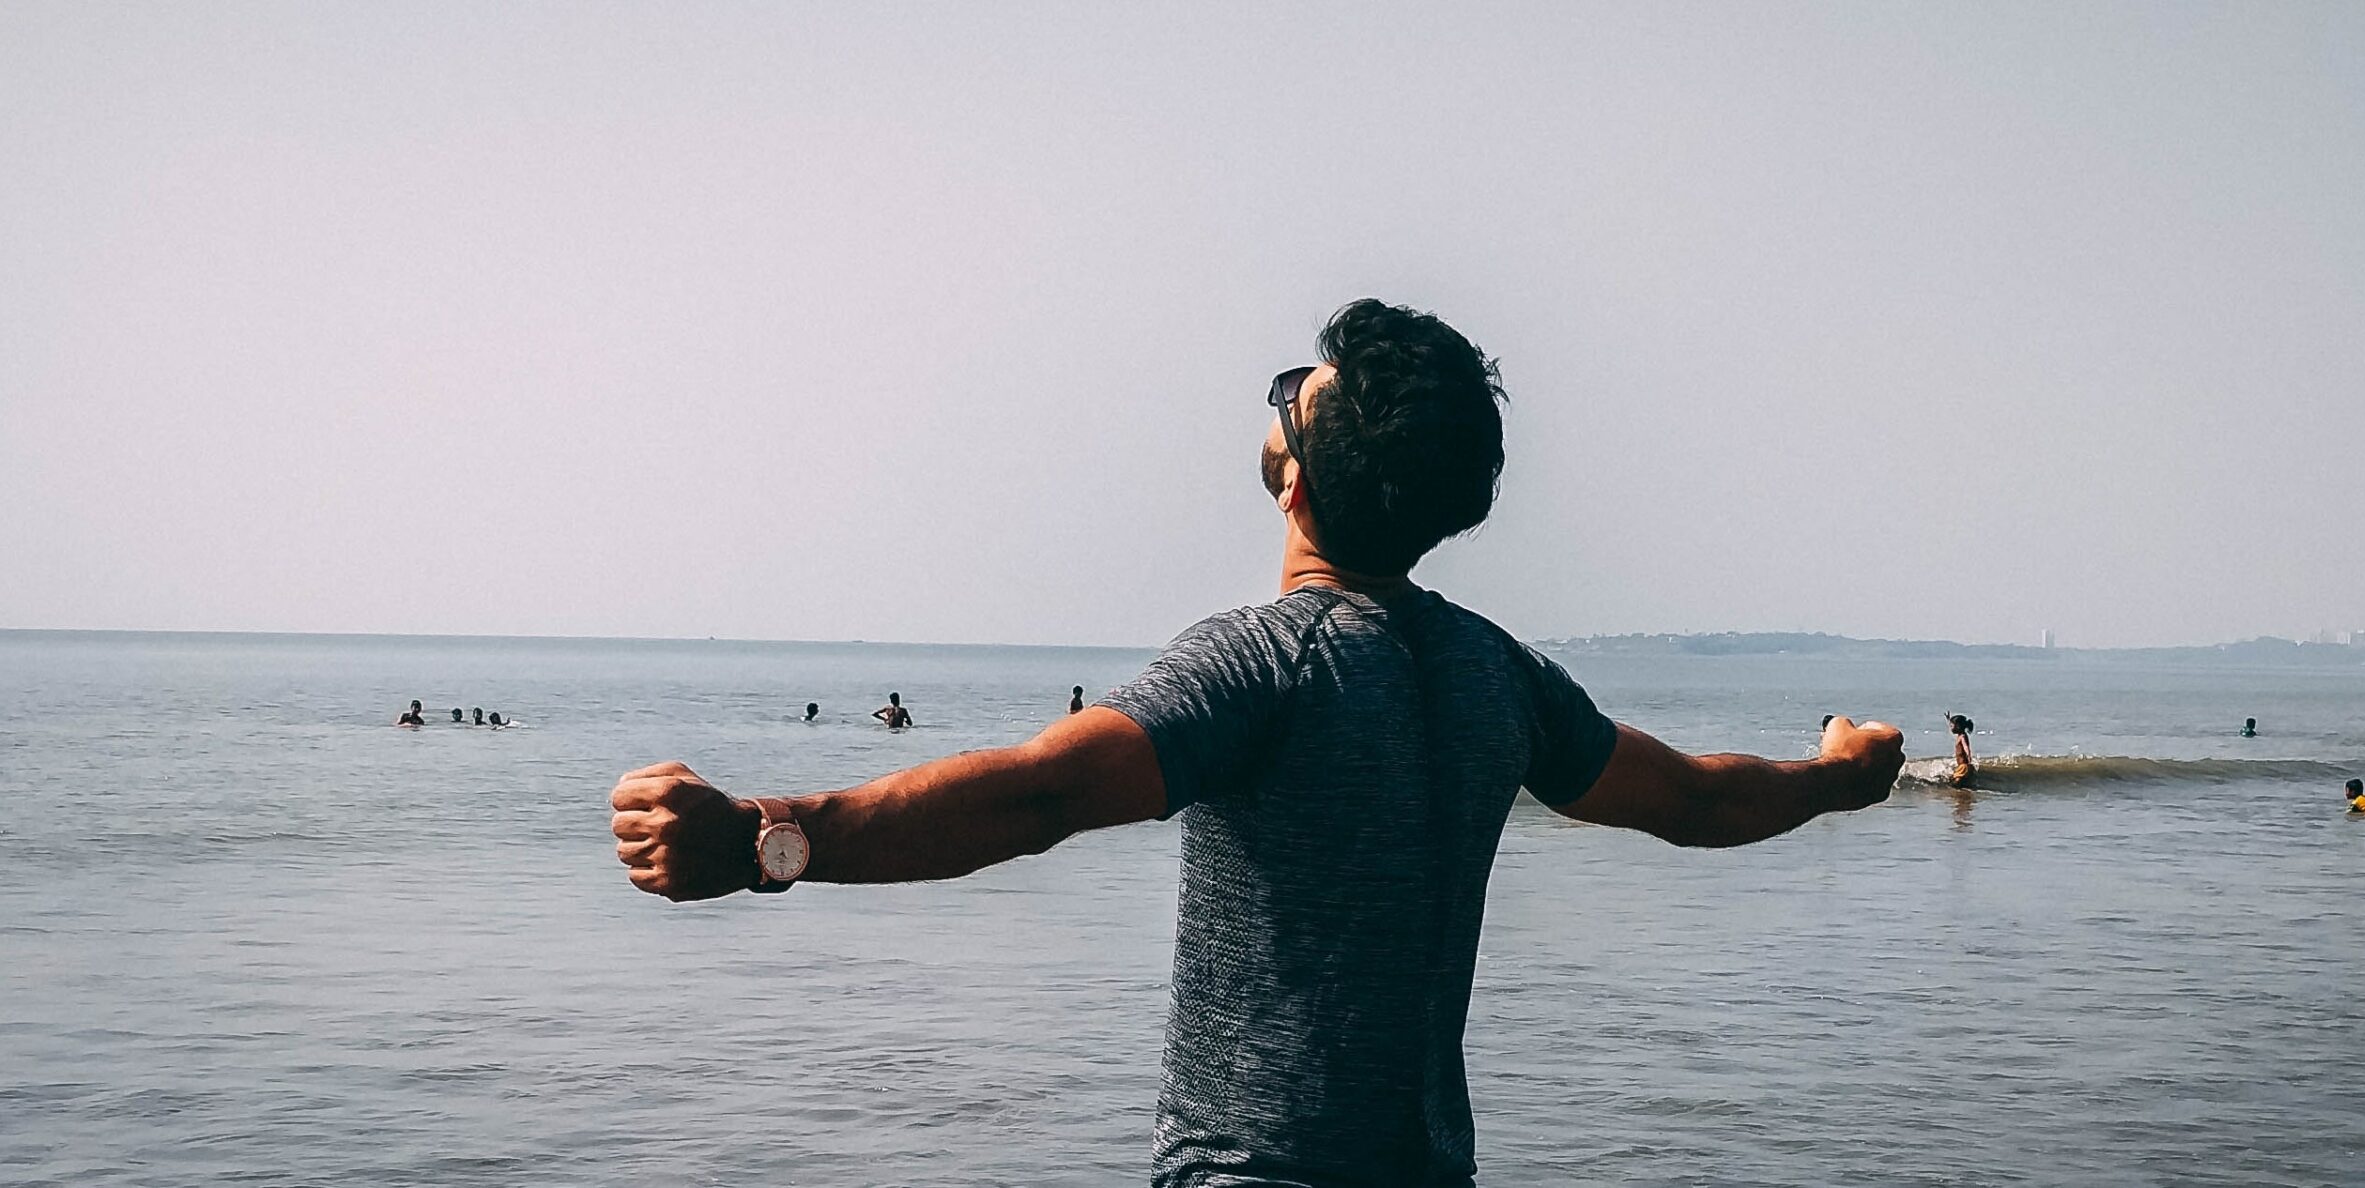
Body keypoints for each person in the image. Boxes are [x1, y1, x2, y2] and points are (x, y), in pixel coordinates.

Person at [609, 299, 1906, 1185]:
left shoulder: (1265, 663)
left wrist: (767, 842)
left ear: (1293, 474)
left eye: (1299, 394)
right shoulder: (1495, 677)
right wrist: (1843, 777)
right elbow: (1692, 799)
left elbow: (1039, 797)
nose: (1281, 404)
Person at [1945, 712, 1976, 788]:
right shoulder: (1960, 735)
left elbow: (1966, 746)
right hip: (1961, 766)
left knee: (1955, 784)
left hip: (1963, 766)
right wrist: (1949, 719)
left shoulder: (1962, 736)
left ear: (1958, 726)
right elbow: (1953, 724)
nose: (1950, 728)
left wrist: (1969, 755)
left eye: (1952, 726)